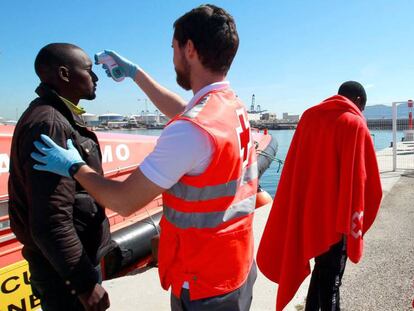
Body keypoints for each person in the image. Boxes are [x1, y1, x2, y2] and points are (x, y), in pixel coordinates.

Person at [31, 5, 258, 311]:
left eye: (173, 47)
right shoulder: (231, 106)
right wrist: (136, 74)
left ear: (189, 48)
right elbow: (187, 112)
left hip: (203, 280)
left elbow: (124, 202)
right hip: (237, 263)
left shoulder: (190, 131)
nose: (173, 56)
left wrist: (75, 166)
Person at [256, 81, 383, 311]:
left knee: (320, 271)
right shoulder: (354, 123)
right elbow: (366, 182)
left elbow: (297, 170)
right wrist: (358, 224)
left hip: (310, 215)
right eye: (362, 108)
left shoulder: (309, 118)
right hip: (338, 220)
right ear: (357, 102)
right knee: (332, 282)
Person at [8, 43, 112, 311]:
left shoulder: (55, 117)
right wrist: (84, 284)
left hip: (65, 267)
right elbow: (50, 218)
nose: (96, 77)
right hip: (64, 276)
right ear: (65, 74)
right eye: (89, 70)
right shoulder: (50, 124)